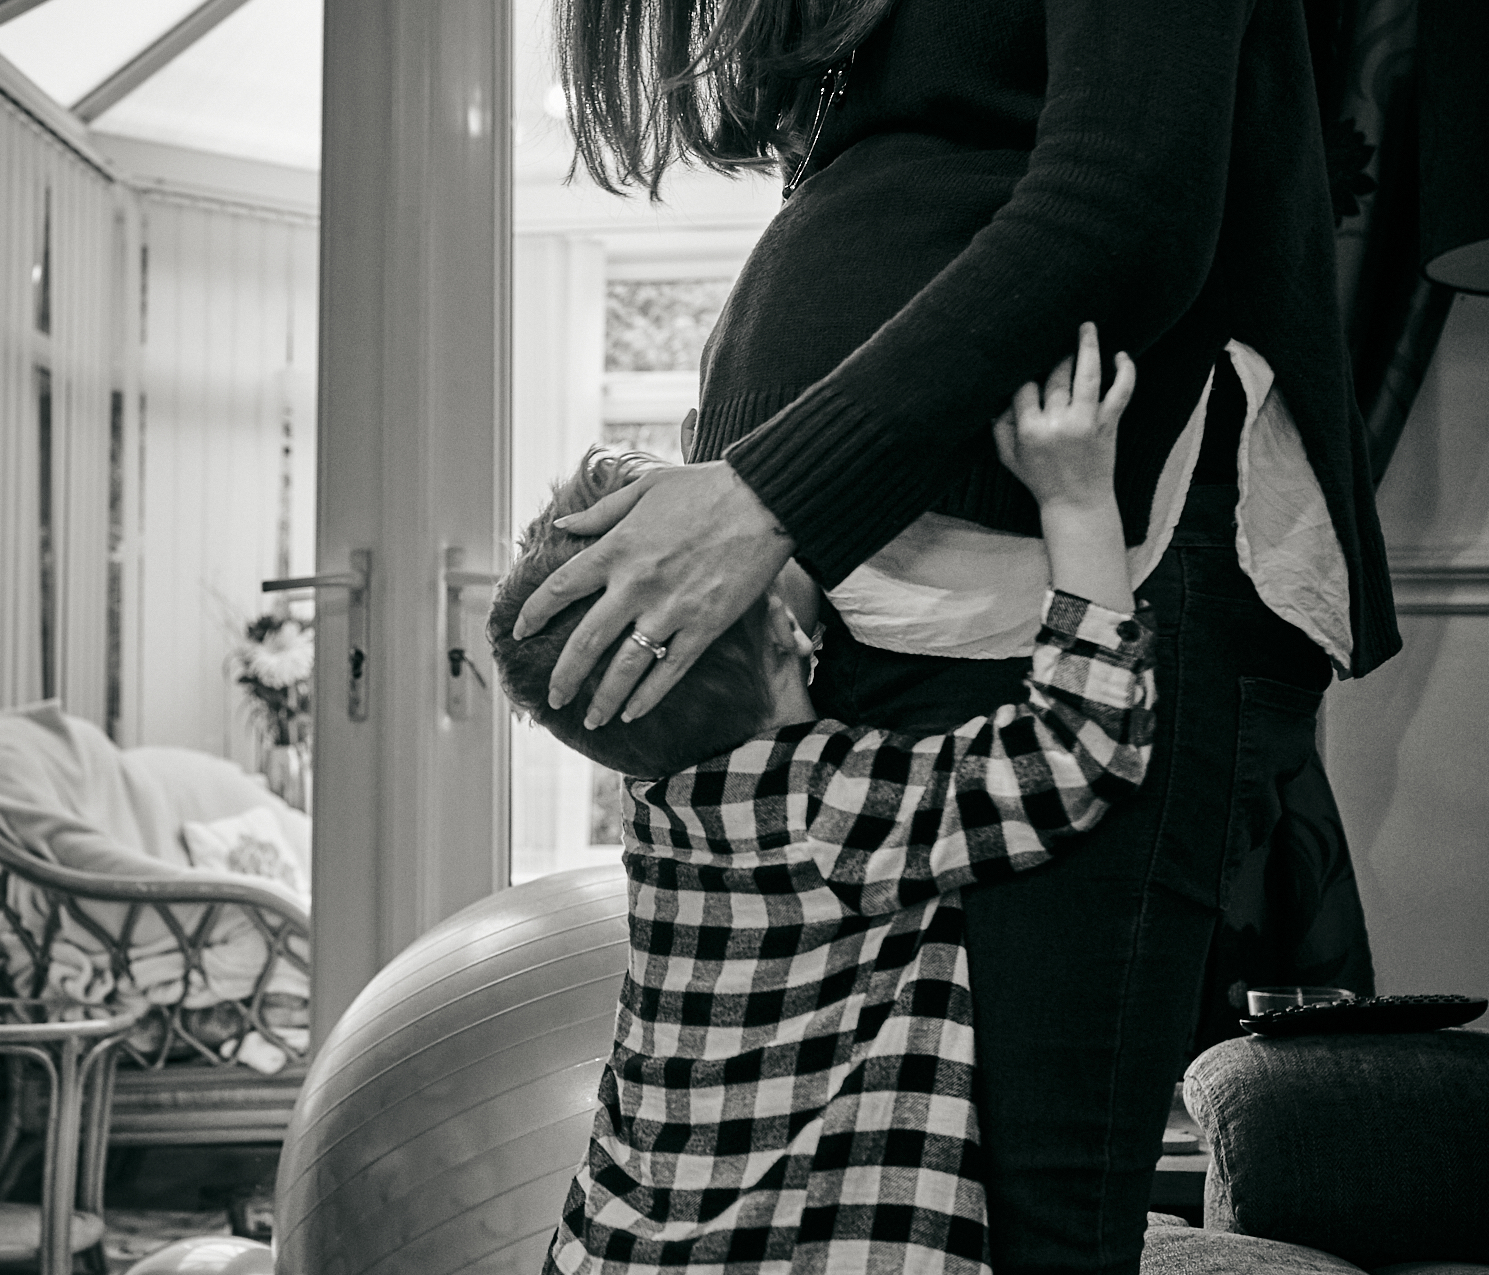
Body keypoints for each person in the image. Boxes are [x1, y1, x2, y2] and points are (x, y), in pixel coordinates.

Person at [515, 0, 1400, 1269]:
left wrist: (767, 498)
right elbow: (1074, 745)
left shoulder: (740, 813)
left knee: (1033, 1216)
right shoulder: (797, 795)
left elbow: (1134, 188)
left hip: (1008, 567)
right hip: (895, 571)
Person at [492, 335, 1155, 1272]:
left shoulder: (659, 807)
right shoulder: (836, 807)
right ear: (779, 628)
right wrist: (1076, 496)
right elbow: (1085, 745)